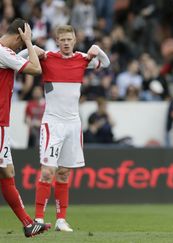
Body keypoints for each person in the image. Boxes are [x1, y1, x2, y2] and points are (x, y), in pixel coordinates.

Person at [28, 25, 110, 232]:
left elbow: (106, 62)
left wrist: (97, 49)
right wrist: (30, 47)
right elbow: (19, 58)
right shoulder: (46, 57)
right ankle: (38, 219)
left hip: (73, 124)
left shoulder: (82, 59)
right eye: (62, 39)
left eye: (69, 39)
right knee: (47, 172)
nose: (66, 43)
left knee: (64, 173)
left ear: (74, 40)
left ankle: (61, 220)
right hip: (52, 123)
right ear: (57, 40)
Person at [0, 18, 51, 237]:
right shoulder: (2, 51)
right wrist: (30, 45)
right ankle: (28, 223)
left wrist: (25, 51)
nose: (20, 47)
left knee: (6, 172)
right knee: (6, 172)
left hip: (2, 124)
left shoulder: (4, 54)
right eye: (21, 43)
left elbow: (13, 60)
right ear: (19, 36)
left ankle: (29, 224)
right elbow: (35, 69)